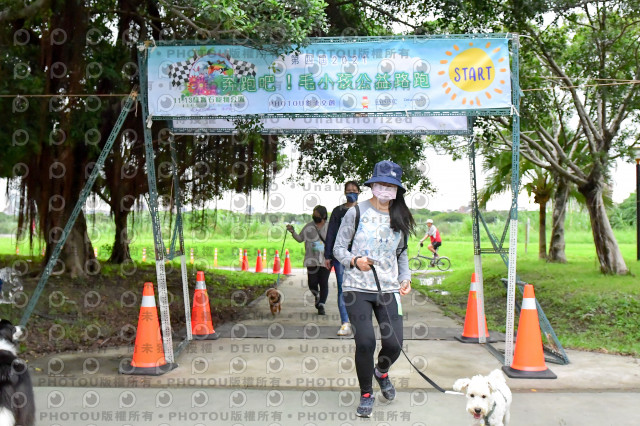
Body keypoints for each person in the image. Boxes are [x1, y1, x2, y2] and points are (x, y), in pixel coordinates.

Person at [333, 160, 415, 418]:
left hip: (388, 289)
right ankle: (366, 393)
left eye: (391, 186)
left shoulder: (400, 216)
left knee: (394, 344)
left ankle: (382, 371)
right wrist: (354, 261)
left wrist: (405, 277)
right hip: (356, 287)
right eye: (381, 184)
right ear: (372, 185)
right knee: (366, 342)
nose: (386, 190)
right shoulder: (355, 212)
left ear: (397, 190)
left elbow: (402, 253)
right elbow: (338, 249)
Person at [324, 181, 361, 336]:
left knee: (360, 289)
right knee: (342, 289)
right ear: (344, 192)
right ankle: (345, 322)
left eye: (354, 190)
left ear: (359, 192)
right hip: (340, 256)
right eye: (348, 190)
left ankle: (359, 321)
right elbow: (331, 233)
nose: (351, 192)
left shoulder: (364, 210)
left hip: (360, 257)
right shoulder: (338, 211)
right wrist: (328, 255)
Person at [286, 205, 330, 315]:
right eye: (314, 215)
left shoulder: (330, 227)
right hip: (312, 259)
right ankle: (317, 295)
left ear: (324, 216)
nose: (314, 217)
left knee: (324, 282)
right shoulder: (309, 226)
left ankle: (321, 305)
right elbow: (300, 239)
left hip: (326, 259)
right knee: (312, 282)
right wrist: (292, 232)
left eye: (317, 215)